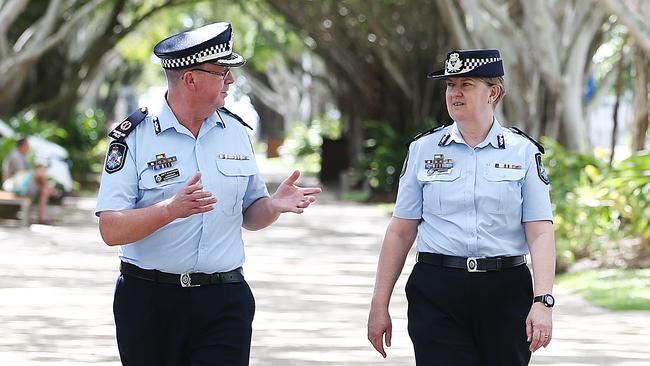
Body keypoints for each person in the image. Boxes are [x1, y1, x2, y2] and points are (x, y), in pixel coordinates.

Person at [95, 22, 321, 366]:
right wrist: (170, 210)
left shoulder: (235, 132)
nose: (231, 81)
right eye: (222, 72)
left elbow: (252, 215)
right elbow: (111, 230)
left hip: (224, 299)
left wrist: (272, 205)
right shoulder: (133, 138)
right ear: (190, 78)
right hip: (149, 302)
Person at [367, 49, 556, 366]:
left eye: (466, 84)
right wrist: (379, 303)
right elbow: (400, 231)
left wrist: (543, 301)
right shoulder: (422, 150)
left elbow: (540, 232)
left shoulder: (523, 152)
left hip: (505, 291)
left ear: (492, 92)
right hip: (437, 289)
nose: (454, 93)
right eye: (449, 85)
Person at [2, 137, 58, 224]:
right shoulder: (15, 156)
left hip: (21, 184)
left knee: (44, 189)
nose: (29, 147)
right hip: (14, 185)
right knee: (41, 179)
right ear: (23, 145)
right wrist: (37, 173)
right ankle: (52, 192)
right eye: (28, 145)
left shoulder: (21, 155)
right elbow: (21, 174)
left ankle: (42, 216)